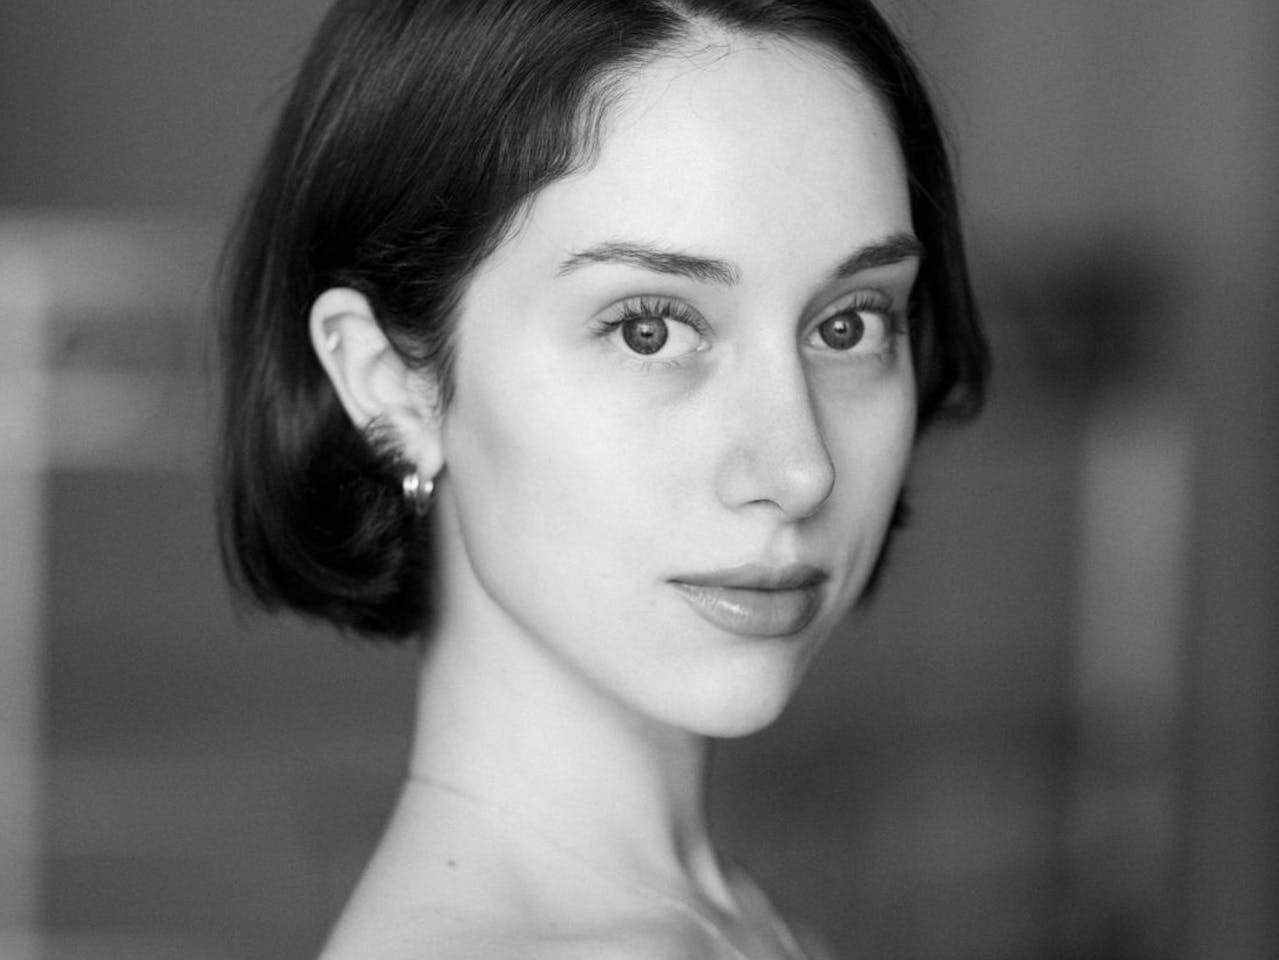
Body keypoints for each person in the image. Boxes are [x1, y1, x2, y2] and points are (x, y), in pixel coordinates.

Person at [218, 0, 988, 957]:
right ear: (388, 384)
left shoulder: (718, 926)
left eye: (849, 324)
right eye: (648, 329)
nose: (800, 469)